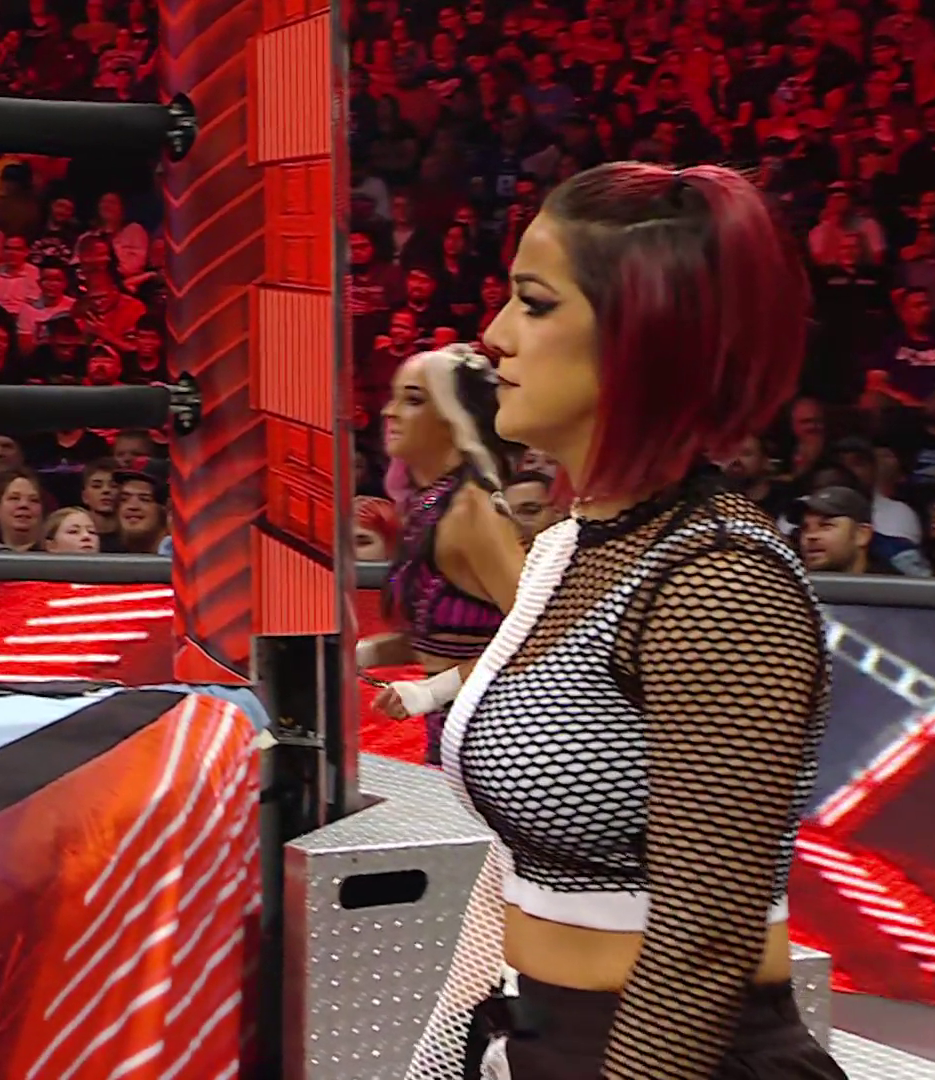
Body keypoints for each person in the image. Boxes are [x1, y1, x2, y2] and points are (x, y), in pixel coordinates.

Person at [457, 163, 846, 1079]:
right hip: (551, 1036)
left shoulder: (720, 582)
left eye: (534, 304)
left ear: (640, 340)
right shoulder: (572, 545)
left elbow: (702, 946)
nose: (494, 335)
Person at [359, 344, 524, 767]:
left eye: (413, 400)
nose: (390, 412)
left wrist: (434, 690)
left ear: (453, 419)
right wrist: (365, 653)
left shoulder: (472, 509)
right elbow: (450, 639)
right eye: (393, 397)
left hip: (499, 744)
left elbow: (540, 636)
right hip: (454, 740)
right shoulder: (431, 504)